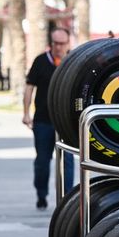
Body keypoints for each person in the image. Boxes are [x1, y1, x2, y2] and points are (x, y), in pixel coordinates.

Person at [22, 27, 74, 210]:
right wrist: (26, 112)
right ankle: (41, 195)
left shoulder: (73, 61)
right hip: (43, 120)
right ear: (51, 44)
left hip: (66, 122)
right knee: (43, 161)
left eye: (62, 43)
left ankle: (67, 198)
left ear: (68, 43)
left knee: (68, 161)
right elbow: (29, 87)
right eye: (56, 43)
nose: (59, 47)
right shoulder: (41, 61)